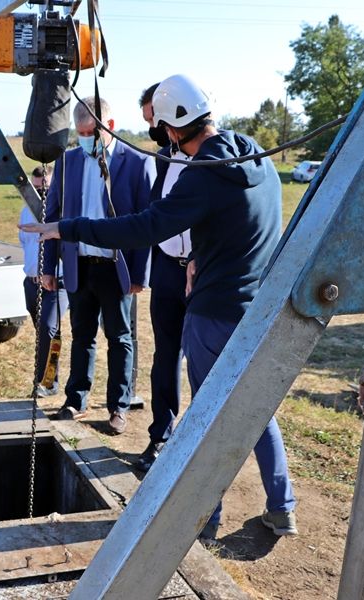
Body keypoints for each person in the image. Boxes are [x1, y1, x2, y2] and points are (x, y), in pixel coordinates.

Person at [21, 74, 297, 541]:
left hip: (214, 313)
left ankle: (204, 516)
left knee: (209, 417)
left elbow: (143, 227)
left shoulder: (203, 174)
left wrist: (66, 228)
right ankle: (281, 505)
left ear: (171, 129)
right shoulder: (254, 156)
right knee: (256, 407)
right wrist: (201, 258)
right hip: (258, 307)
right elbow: (249, 227)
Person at [41, 96, 155, 434]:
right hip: (79, 266)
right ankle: (75, 399)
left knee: (120, 338)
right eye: (80, 133)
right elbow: (53, 217)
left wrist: (139, 274)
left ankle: (118, 405)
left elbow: (147, 223)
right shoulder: (67, 162)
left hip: (116, 268)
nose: (85, 138)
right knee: (82, 335)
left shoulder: (135, 163)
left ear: (110, 127)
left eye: (91, 131)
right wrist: (49, 267)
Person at [135, 83, 192, 472]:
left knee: (208, 361)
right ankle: (161, 436)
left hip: (203, 274)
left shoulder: (210, 158)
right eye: (147, 123)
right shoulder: (161, 159)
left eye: (155, 121)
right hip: (168, 274)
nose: (154, 130)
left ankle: (202, 443)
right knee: (165, 357)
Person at [19, 165, 68, 396]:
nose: (41, 195)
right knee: (42, 331)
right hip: (31, 282)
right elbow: (25, 244)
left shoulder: (61, 211)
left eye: (45, 189)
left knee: (49, 328)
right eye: (36, 190)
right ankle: (46, 377)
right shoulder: (25, 211)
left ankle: (47, 383)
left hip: (56, 283)